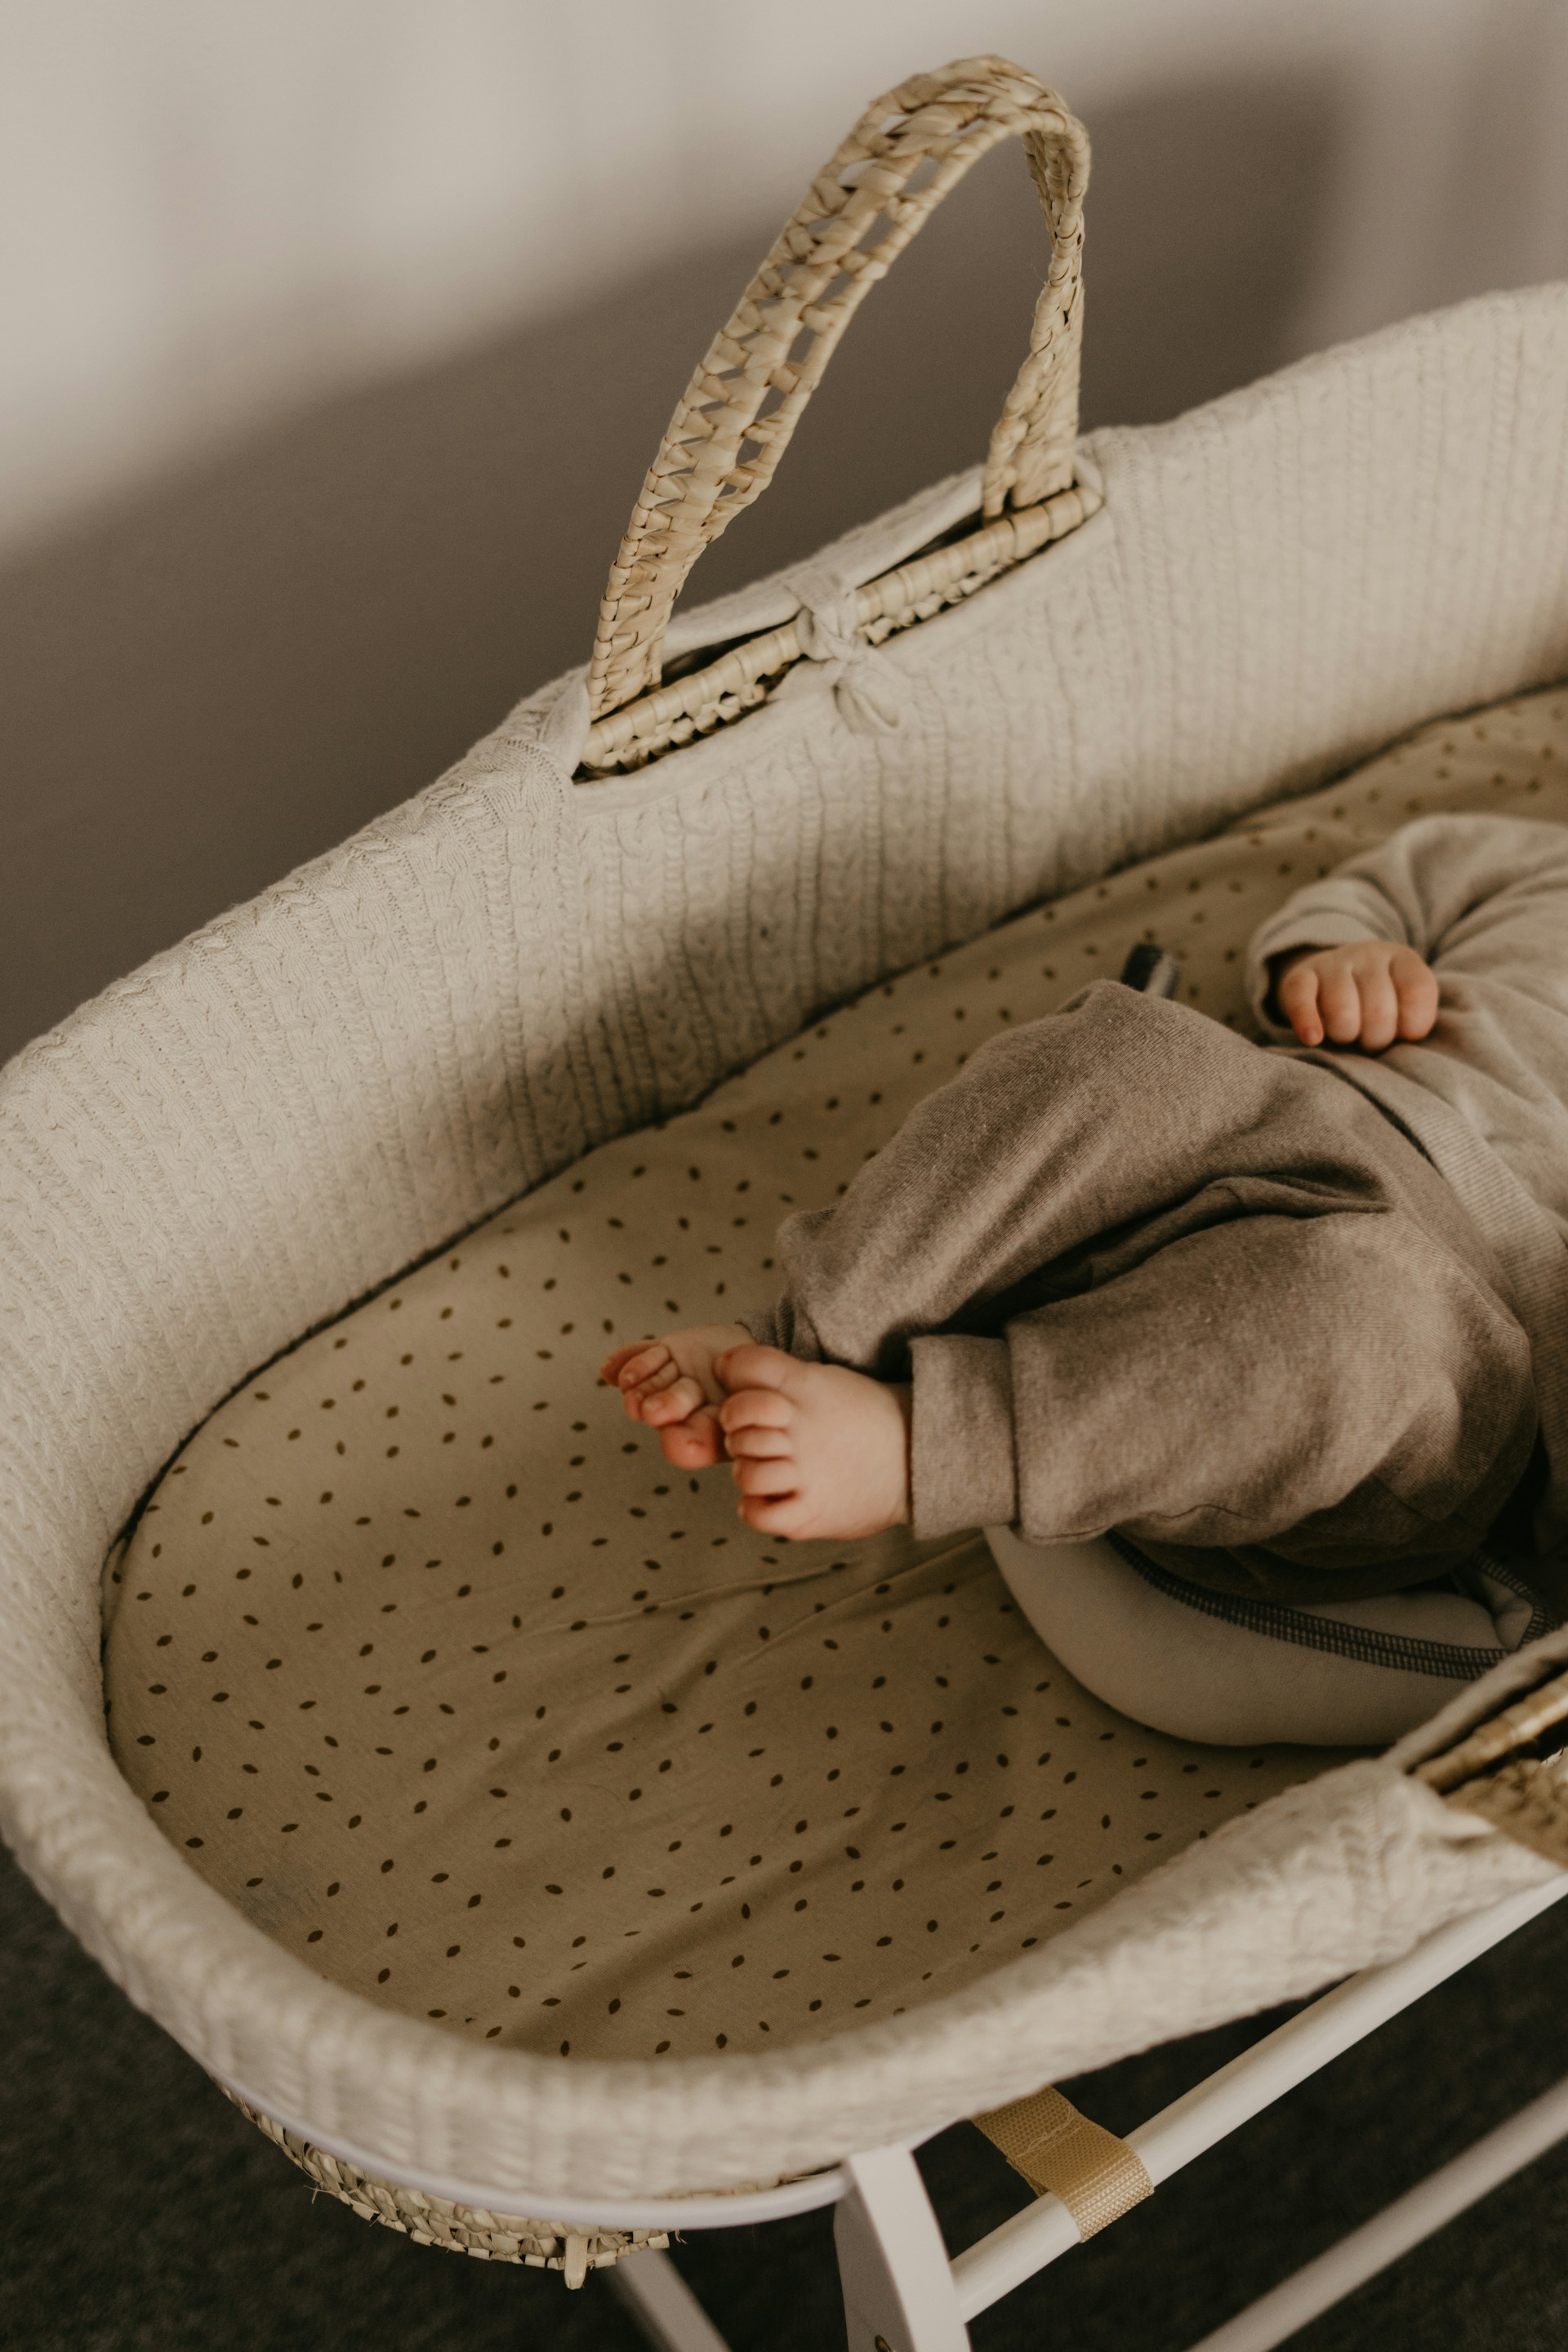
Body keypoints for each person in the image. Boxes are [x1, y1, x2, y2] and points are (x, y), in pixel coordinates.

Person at [601, 813, 1568, 1608]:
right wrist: (1335, 957)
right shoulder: (1536, 859)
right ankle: (807, 1333)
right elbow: (1383, 889)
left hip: (1475, 1338)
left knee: (1354, 1326)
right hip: (1301, 1112)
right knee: (1126, 1052)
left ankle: (920, 1444)